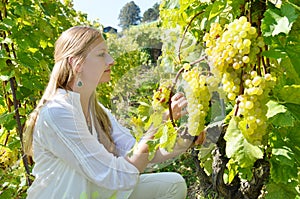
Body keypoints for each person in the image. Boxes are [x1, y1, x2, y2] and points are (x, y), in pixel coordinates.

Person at [23, 26, 205, 199]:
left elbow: (137, 153)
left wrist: (186, 138)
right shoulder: (59, 113)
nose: (111, 60)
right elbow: (115, 175)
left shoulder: (96, 110)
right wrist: (159, 123)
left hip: (94, 193)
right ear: (76, 63)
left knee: (172, 184)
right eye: (101, 54)